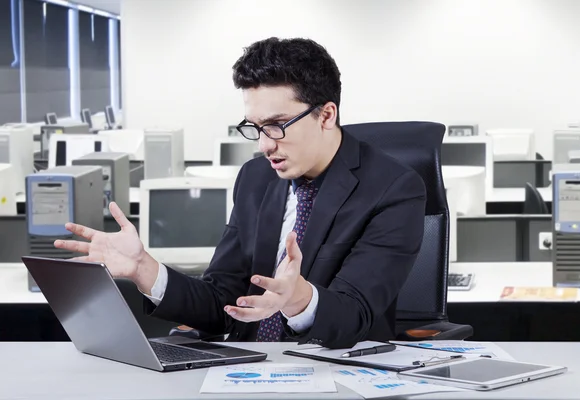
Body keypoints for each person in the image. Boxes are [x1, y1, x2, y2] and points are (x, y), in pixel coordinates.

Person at [55, 37, 426, 349]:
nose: (264, 145)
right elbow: (221, 302)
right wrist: (144, 270)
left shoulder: (393, 188)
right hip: (248, 366)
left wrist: (298, 299)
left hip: (333, 371)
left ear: (326, 115)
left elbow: (355, 317)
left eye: (277, 125)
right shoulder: (255, 178)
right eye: (255, 127)